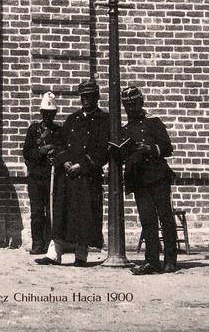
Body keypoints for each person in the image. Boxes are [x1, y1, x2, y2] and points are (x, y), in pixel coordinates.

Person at [36, 80, 109, 267]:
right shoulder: (72, 119)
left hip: (87, 177)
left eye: (90, 96)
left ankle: (81, 256)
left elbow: (103, 151)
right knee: (61, 215)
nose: (86, 100)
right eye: (83, 97)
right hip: (67, 176)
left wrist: (82, 165)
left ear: (97, 97)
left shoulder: (104, 120)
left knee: (84, 217)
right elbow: (60, 143)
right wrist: (65, 160)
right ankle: (54, 254)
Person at [119, 86, 178, 275]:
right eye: (127, 106)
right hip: (139, 180)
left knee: (166, 218)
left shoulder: (153, 123)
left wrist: (150, 148)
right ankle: (152, 261)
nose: (131, 108)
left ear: (141, 102)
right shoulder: (125, 129)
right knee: (147, 220)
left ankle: (170, 260)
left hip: (158, 177)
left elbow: (167, 148)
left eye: (134, 104)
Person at [21, 92, 61, 255]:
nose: (48, 116)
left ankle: (52, 242)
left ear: (54, 113)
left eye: (51, 113)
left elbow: (64, 150)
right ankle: (38, 243)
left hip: (52, 177)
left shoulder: (59, 131)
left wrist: (55, 153)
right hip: (36, 177)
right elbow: (27, 153)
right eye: (45, 113)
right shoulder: (34, 130)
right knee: (37, 211)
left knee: (52, 210)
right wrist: (41, 150)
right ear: (41, 113)